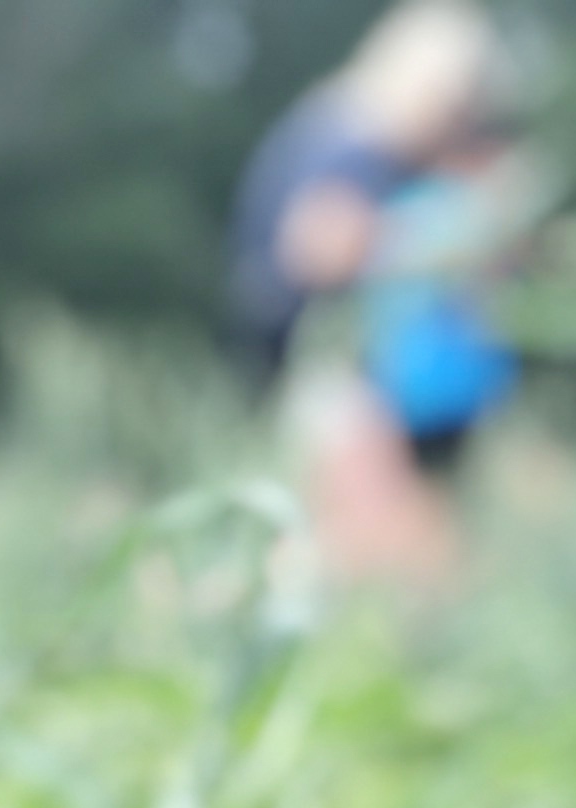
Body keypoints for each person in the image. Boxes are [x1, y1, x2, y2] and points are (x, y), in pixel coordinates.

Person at [228, 4, 530, 584]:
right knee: (391, 551)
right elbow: (316, 246)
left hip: (320, 368)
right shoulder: (355, 142)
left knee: (332, 546)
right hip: (326, 365)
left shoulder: (333, 125)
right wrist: (456, 230)